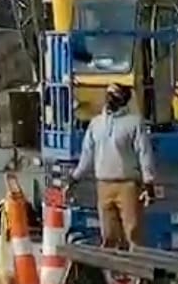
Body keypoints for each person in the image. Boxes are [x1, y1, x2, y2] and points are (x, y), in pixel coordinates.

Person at [65, 81, 156, 249]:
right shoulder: (96, 123)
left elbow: (144, 153)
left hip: (127, 184)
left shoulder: (134, 123)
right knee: (108, 235)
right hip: (103, 184)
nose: (109, 99)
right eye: (108, 95)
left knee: (133, 232)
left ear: (123, 99)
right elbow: (87, 155)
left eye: (114, 95)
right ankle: (112, 273)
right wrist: (75, 177)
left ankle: (137, 271)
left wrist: (148, 181)